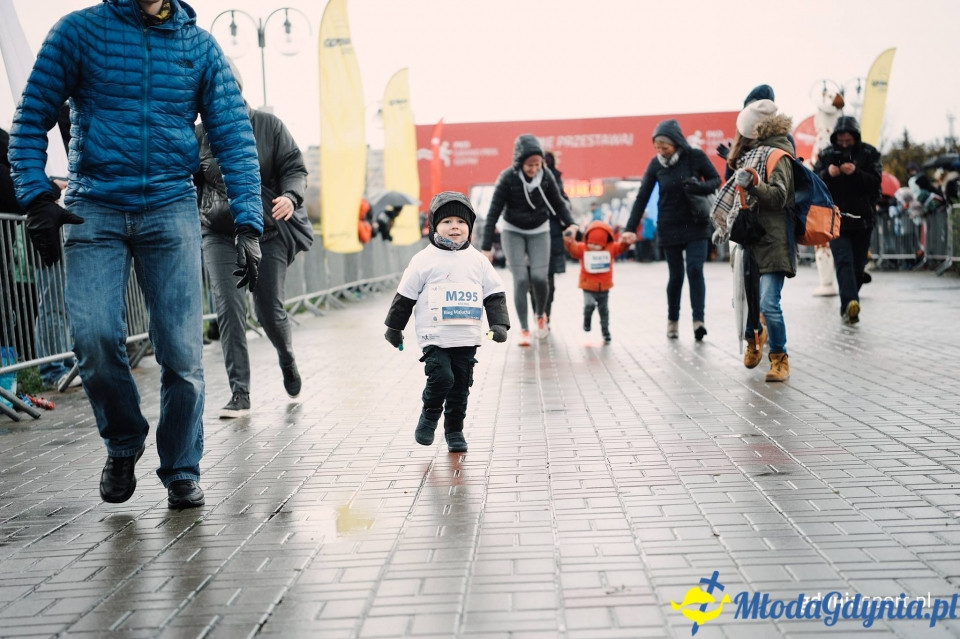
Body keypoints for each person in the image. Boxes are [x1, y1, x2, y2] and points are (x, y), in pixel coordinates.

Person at [9, 0, 264, 510]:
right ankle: (124, 442)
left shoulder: (199, 47)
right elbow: (30, 117)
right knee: (94, 339)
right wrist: (36, 197)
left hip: (170, 205)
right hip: (93, 205)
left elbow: (234, 138)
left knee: (183, 356)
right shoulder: (77, 32)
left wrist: (249, 222)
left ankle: (181, 469)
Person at [196, 62, 309, 419]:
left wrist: (290, 196)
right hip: (218, 232)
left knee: (268, 312)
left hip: (266, 232)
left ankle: (286, 356)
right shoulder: (199, 134)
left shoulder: (268, 125)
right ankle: (240, 393)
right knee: (229, 308)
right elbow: (185, 177)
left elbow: (294, 167)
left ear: (238, 87)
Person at [383, 192, 510, 453]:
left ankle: (454, 430)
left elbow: (494, 293)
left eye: (461, 222)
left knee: (461, 387)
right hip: (435, 336)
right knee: (441, 377)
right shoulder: (423, 260)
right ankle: (429, 416)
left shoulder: (478, 260)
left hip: (466, 336)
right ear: (434, 225)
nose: (455, 227)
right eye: (447, 221)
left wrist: (499, 324)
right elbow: (405, 296)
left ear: (470, 227)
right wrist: (394, 328)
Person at [711, 99, 797, 381]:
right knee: (744, 301)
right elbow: (735, 197)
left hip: (774, 241)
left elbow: (779, 197)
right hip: (749, 240)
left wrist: (756, 185)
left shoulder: (778, 156)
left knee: (769, 303)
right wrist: (726, 224)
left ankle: (779, 358)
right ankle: (754, 337)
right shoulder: (748, 158)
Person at [622, 120, 720, 341]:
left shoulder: (695, 156)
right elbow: (642, 196)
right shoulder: (655, 165)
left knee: (695, 269)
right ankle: (672, 321)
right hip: (669, 226)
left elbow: (715, 180)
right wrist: (630, 228)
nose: (661, 151)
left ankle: (698, 321)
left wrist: (699, 186)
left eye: (664, 146)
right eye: (657, 147)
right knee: (676, 276)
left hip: (696, 223)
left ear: (676, 142)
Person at [479, 135, 577, 346]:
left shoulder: (546, 176)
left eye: (537, 164)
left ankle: (540, 315)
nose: (534, 169)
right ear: (519, 163)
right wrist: (486, 247)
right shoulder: (507, 178)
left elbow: (559, 203)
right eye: (529, 165)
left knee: (540, 277)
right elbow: (493, 212)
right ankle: (524, 329)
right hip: (512, 230)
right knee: (522, 279)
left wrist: (571, 223)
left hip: (539, 230)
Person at [813, 116, 882, 324]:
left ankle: (850, 302)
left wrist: (856, 173)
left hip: (863, 220)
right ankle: (850, 304)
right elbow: (814, 181)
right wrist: (828, 173)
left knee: (858, 267)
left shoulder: (869, 153)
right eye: (841, 140)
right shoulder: (826, 154)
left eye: (848, 140)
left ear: (855, 137)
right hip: (836, 220)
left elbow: (876, 182)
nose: (844, 144)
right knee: (843, 261)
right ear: (835, 138)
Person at [563, 220, 633, 344]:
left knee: (604, 311)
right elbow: (573, 249)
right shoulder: (583, 248)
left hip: (604, 287)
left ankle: (606, 332)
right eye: (590, 243)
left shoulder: (610, 248)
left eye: (597, 244)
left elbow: (621, 247)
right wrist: (568, 239)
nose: (593, 246)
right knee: (589, 305)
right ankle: (587, 321)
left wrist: (626, 242)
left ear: (604, 242)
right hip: (588, 285)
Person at [541, 151, 570, 323]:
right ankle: (540, 313)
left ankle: (546, 315)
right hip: (533, 231)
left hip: (552, 232)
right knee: (535, 280)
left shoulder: (556, 178)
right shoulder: (527, 180)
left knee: (549, 280)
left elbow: (563, 203)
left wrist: (569, 222)